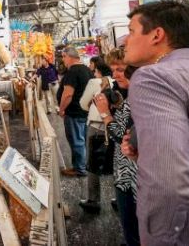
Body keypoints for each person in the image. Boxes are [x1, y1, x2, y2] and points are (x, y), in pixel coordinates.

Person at [121, 0, 189, 246]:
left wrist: (156, 240)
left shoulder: (154, 78)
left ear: (157, 35)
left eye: (132, 31)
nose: (125, 40)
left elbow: (167, 181)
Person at [93, 50, 140, 246]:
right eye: (113, 70)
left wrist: (105, 114)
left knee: (133, 224)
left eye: (120, 69)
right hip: (129, 171)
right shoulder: (133, 95)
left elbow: (122, 137)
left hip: (131, 175)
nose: (115, 75)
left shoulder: (137, 98)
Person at [78, 60, 113, 212]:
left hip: (97, 125)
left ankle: (94, 200)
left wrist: (93, 106)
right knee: (115, 161)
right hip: (115, 124)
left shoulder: (94, 82)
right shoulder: (116, 81)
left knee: (93, 162)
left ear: (98, 70)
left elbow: (83, 103)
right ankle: (118, 197)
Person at [57, 46, 92, 177]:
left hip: (74, 112)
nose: (63, 61)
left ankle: (80, 169)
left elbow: (67, 95)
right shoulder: (87, 70)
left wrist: (61, 109)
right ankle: (83, 165)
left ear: (68, 56)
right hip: (86, 112)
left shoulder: (72, 72)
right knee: (83, 141)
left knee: (77, 141)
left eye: (64, 57)